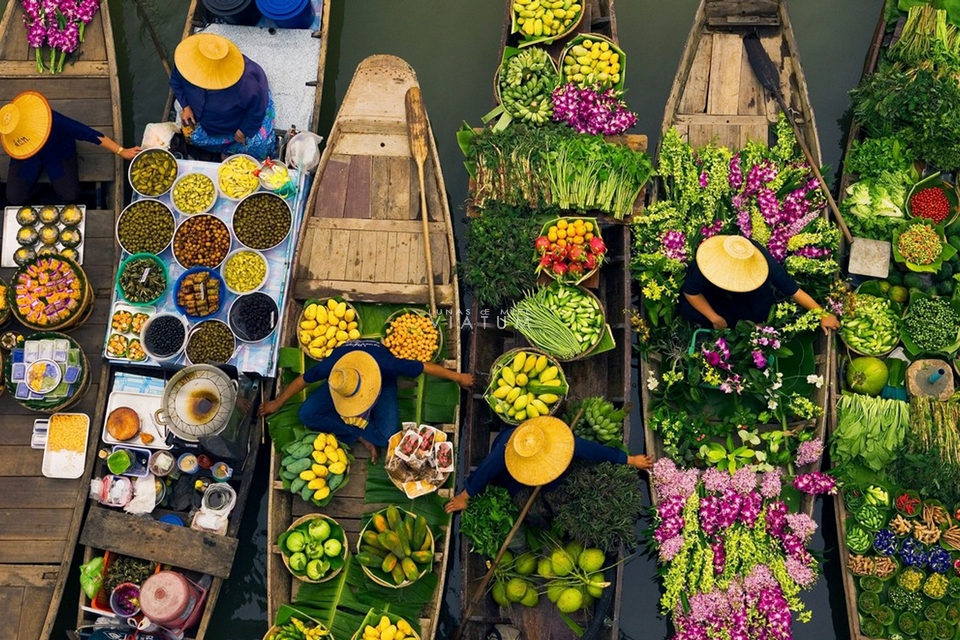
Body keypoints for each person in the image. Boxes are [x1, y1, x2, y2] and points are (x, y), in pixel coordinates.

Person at [259, 339, 473, 462]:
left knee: (386, 436)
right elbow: (303, 380)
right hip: (343, 382)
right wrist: (278, 402)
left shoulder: (388, 365)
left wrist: (458, 377)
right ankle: (358, 435)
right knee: (306, 414)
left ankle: (358, 430)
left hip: (383, 383)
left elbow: (424, 366)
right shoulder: (333, 368)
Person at [444, 416, 653, 514]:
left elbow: (594, 451)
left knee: (561, 493)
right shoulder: (504, 454)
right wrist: (464, 497)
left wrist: (631, 460)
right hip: (513, 478)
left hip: (550, 471)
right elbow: (484, 472)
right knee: (533, 512)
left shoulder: (562, 443)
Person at [679, 234, 841, 334]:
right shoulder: (709, 263)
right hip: (711, 290)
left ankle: (742, 325)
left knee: (760, 312)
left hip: (749, 292)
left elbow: (794, 291)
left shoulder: (764, 263)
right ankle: (728, 322)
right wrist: (714, 318)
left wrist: (822, 314)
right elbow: (691, 292)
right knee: (688, 309)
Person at [1, 91, 140, 206]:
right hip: (27, 158)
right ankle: (42, 189)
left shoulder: (51, 119)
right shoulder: (8, 130)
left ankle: (56, 186)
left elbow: (88, 134)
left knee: (70, 194)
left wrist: (121, 150)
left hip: (58, 153)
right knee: (14, 197)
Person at [169, 33, 277, 160]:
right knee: (191, 138)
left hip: (235, 121)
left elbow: (256, 110)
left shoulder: (245, 84)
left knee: (261, 145)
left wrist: (242, 132)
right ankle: (227, 149)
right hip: (209, 122)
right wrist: (186, 106)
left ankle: (231, 150)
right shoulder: (187, 65)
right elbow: (176, 82)